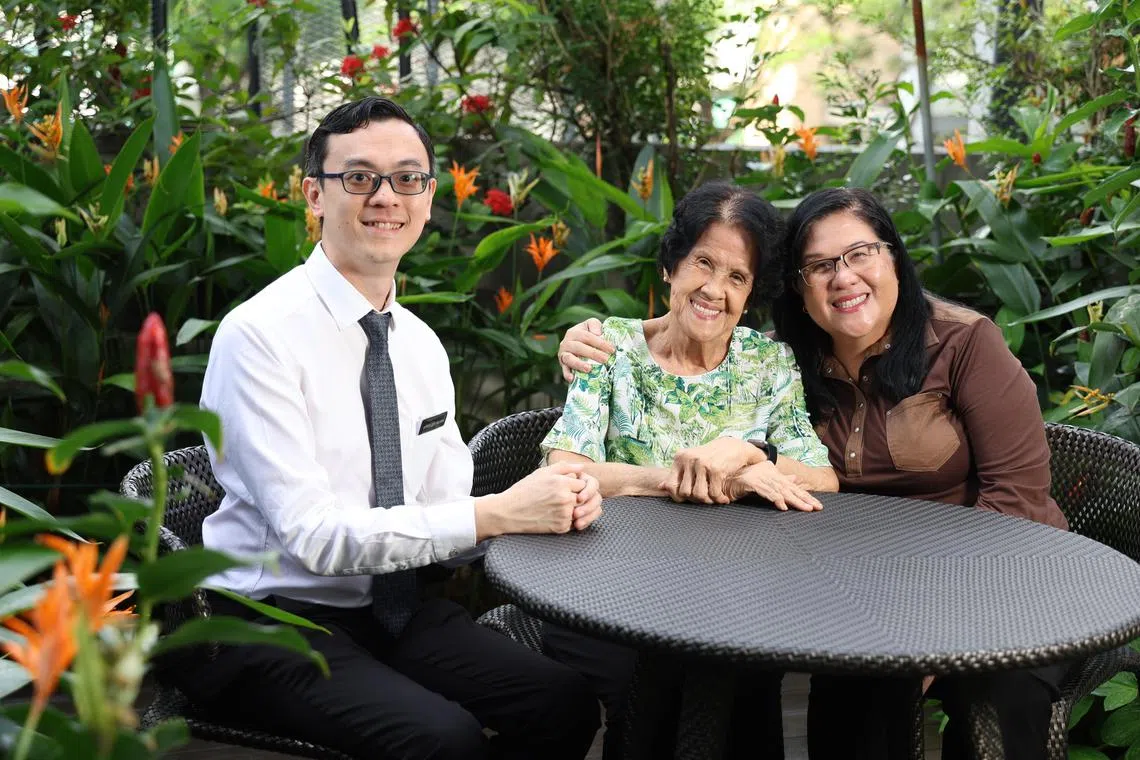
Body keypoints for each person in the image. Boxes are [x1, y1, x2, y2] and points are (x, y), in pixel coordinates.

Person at [557, 186, 1070, 759]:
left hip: (995, 585)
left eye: (860, 254)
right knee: (852, 701)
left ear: (893, 256)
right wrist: (603, 338)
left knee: (1003, 694)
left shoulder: (965, 345)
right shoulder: (789, 359)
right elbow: (699, 326)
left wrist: (935, 636)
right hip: (863, 596)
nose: (843, 278)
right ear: (799, 290)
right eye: (820, 266)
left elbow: (1018, 502)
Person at [188, 97, 604, 760]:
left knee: (564, 702)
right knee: (446, 742)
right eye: (359, 178)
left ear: (429, 197)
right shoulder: (259, 337)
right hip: (273, 619)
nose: (386, 196)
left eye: (407, 178)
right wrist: (494, 514)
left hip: (396, 606)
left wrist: (545, 504)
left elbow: (445, 509)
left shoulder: (417, 343)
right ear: (313, 195)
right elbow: (316, 540)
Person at [541, 181, 838, 759]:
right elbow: (563, 471)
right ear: (671, 267)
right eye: (703, 263)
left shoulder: (767, 363)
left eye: (737, 277)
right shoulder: (610, 349)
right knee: (688, 677)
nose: (714, 290)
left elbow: (822, 477)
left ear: (752, 294)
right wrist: (682, 479)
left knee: (741, 671)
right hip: (608, 594)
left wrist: (746, 455)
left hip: (733, 602)